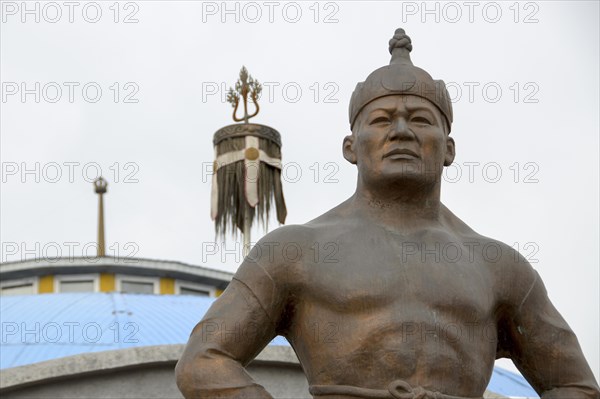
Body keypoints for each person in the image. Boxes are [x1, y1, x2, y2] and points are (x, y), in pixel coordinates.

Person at [176, 29, 600, 399]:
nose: (401, 130)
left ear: (448, 149)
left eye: (420, 119)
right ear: (350, 147)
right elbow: (204, 359)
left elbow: (576, 384)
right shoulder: (294, 251)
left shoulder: (500, 266)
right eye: (381, 119)